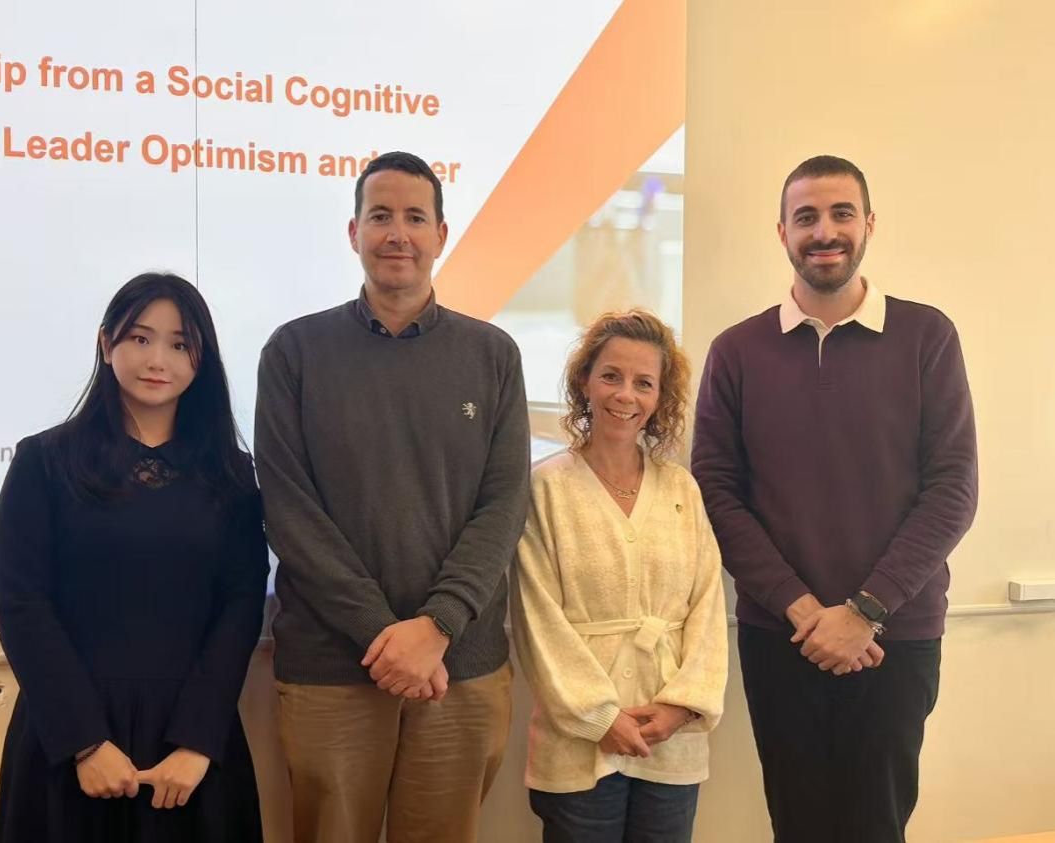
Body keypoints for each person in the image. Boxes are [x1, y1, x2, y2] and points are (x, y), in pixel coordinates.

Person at [691, 155, 978, 843]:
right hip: (781, 636)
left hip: (895, 636)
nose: (825, 231)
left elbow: (953, 489)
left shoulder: (927, 336)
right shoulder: (736, 351)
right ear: (782, 232)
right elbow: (718, 495)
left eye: (841, 213)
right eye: (807, 217)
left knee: (877, 825)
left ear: (869, 223)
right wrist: (805, 612)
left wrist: (863, 613)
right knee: (797, 824)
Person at [254, 150, 530, 843]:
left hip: (459, 667)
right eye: (380, 216)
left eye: (414, 217)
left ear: (441, 234)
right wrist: (386, 636)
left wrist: (436, 627)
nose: (397, 234)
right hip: (332, 668)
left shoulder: (493, 355)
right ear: (354, 232)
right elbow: (289, 512)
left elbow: (503, 506)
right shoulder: (294, 352)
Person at [0, 273, 268, 843]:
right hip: (69, 735)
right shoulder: (44, 461)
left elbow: (242, 604)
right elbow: (22, 602)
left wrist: (198, 742)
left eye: (179, 344)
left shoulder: (233, 473)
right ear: (105, 343)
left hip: (190, 742)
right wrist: (84, 743)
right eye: (140, 338)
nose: (157, 359)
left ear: (201, 360)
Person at [511, 309, 727, 843]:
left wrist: (682, 705)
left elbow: (707, 605)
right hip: (578, 744)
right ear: (585, 381)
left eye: (643, 383)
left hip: (670, 739)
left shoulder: (681, 489)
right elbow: (538, 619)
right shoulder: (545, 489)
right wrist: (599, 717)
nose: (625, 395)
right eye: (611, 376)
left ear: (660, 398)